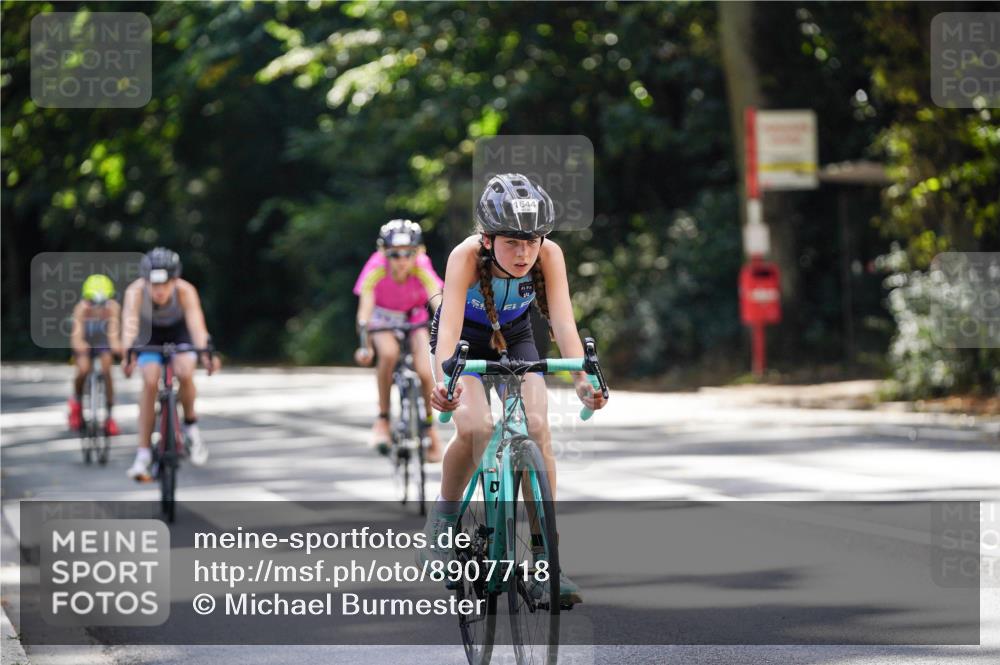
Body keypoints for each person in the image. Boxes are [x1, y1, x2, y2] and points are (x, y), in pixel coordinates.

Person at [420, 173, 608, 603]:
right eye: (511, 242)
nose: (524, 253)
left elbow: (563, 322)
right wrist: (445, 384)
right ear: (487, 239)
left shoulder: (550, 255)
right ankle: (442, 523)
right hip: (463, 341)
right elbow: (447, 330)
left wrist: (583, 380)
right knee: (476, 428)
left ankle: (546, 562)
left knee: (537, 427)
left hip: (516, 337)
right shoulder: (465, 256)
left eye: (532, 241)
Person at [120, 247, 220, 480]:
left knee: (185, 372)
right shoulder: (135, 292)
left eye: (165, 284)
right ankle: (143, 453)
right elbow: (130, 327)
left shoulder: (185, 291)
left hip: (178, 333)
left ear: (175, 280)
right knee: (150, 380)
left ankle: (190, 425)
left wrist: (207, 354)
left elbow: (197, 327)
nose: (159, 290)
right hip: (149, 335)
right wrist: (128, 356)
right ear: (145, 281)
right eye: (154, 284)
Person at [353, 219, 445, 462]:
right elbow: (365, 310)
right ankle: (383, 419)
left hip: (414, 318)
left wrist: (448, 329)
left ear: (418, 252)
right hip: (382, 318)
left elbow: (437, 300)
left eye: (408, 253)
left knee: (426, 370)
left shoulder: (421, 265)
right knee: (389, 354)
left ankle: (430, 428)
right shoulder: (376, 267)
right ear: (384, 253)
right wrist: (365, 344)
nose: (402, 260)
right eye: (395, 254)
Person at [68, 274, 123, 434]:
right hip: (86, 341)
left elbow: (113, 335)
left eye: (102, 303)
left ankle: (109, 415)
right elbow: (76, 338)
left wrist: (117, 348)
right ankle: (77, 402)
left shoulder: (113, 308)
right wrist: (81, 345)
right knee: (83, 369)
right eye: (92, 302)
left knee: (107, 369)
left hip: (102, 341)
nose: (97, 308)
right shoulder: (81, 309)